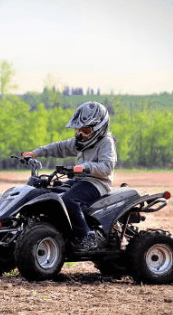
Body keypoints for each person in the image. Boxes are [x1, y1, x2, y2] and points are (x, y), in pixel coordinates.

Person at [23, 101, 117, 252]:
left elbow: (106, 167)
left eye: (85, 130)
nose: (80, 134)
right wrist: (35, 153)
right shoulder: (81, 142)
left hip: (97, 183)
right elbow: (59, 147)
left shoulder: (106, 142)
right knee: (51, 192)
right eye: (78, 130)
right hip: (80, 180)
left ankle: (88, 237)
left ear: (99, 128)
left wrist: (83, 167)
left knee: (69, 200)